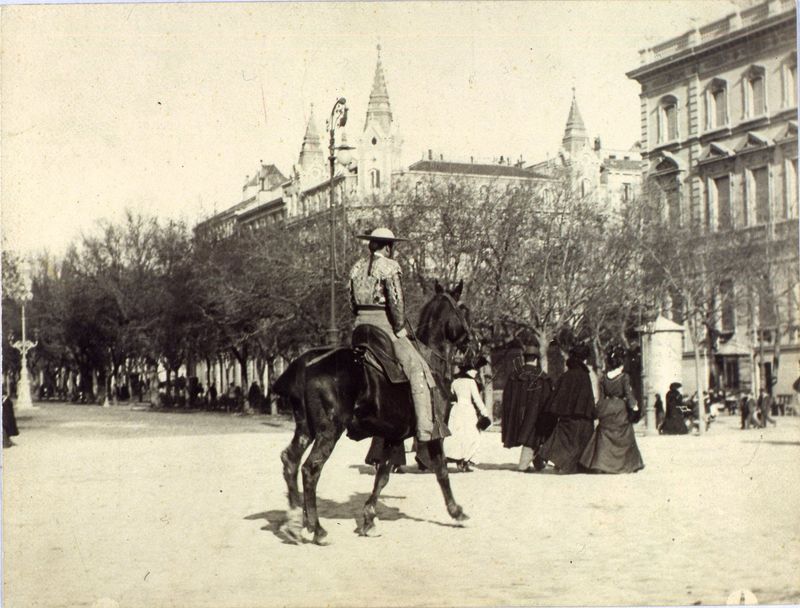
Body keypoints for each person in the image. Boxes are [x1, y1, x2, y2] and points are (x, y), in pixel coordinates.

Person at [349, 227, 438, 443]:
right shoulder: (390, 267)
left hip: (360, 326)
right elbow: (396, 301)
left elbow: (351, 301)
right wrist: (399, 327)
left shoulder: (356, 267)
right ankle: (425, 429)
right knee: (417, 368)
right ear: (388, 247)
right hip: (384, 327)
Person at [580, 347, 644, 474]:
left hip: (606, 407)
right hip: (619, 407)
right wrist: (634, 405)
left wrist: (599, 409)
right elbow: (628, 393)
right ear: (621, 362)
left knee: (604, 434)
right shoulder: (624, 377)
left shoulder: (604, 378)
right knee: (625, 434)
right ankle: (628, 464)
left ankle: (602, 463)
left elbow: (601, 397)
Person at [539, 343, 595, 474]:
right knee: (581, 441)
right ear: (583, 359)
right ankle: (573, 465)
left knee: (564, 439)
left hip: (566, 418)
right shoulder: (584, 376)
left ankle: (559, 462)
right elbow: (588, 399)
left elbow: (557, 398)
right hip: (582, 418)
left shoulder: (566, 375)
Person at [500, 345, 553, 472]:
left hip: (516, 415)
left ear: (524, 359)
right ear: (536, 359)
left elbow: (506, 397)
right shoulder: (542, 377)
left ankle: (538, 462)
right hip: (534, 416)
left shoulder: (514, 375)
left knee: (532, 437)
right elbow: (547, 400)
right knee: (533, 437)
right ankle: (524, 465)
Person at [444, 361, 490, 472]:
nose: (476, 372)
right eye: (474, 370)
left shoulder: (455, 382)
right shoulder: (471, 382)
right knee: (472, 436)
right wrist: (485, 412)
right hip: (467, 411)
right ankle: (465, 461)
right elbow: (477, 399)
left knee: (457, 436)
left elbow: (452, 396)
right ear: (468, 371)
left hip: (456, 410)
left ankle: (459, 461)